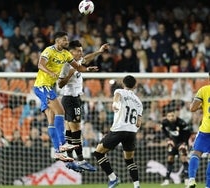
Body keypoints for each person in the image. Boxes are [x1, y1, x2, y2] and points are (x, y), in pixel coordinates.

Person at [33, 31, 98, 162]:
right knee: (60, 112)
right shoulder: (49, 50)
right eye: (64, 40)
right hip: (42, 85)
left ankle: (58, 151)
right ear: (57, 41)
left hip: (49, 87)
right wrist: (50, 72)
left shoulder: (66, 54)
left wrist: (87, 69)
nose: (67, 42)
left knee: (51, 119)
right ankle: (63, 144)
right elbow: (40, 64)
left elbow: (78, 67)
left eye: (67, 40)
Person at [58, 40, 109, 172]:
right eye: (78, 51)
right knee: (76, 131)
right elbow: (60, 84)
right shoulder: (66, 65)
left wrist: (99, 51)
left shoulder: (76, 61)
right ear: (71, 52)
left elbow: (86, 59)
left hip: (73, 99)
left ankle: (69, 158)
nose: (81, 53)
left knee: (70, 130)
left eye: (81, 50)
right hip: (70, 98)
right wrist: (71, 72)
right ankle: (80, 160)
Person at [93, 75, 143, 188]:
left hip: (119, 129)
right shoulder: (139, 102)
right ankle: (137, 185)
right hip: (131, 132)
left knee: (98, 153)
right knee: (129, 160)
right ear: (135, 85)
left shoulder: (120, 91)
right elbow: (139, 122)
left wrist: (115, 104)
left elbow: (117, 96)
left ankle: (113, 178)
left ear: (123, 84)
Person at [187, 72, 210, 188]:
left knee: (196, 153)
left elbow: (192, 108)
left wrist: (203, 105)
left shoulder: (204, 90)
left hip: (206, 129)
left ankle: (191, 179)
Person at [160, 109, 191, 186]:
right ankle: (166, 180)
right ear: (166, 117)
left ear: (176, 115)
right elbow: (163, 130)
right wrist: (168, 139)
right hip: (173, 142)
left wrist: (184, 143)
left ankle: (187, 179)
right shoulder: (165, 122)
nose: (171, 117)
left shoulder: (182, 123)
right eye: (169, 116)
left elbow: (188, 134)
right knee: (170, 158)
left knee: (183, 158)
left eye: (172, 115)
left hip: (182, 142)